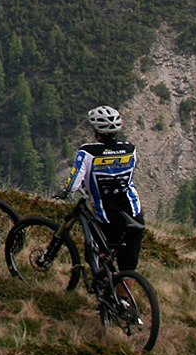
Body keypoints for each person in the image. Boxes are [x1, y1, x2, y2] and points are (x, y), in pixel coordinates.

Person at [58, 104, 146, 273]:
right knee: (128, 267)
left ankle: (106, 291)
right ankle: (123, 299)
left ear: (95, 130)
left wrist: (66, 191)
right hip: (134, 213)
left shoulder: (88, 152)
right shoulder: (130, 149)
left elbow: (73, 184)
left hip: (107, 218)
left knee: (97, 256)